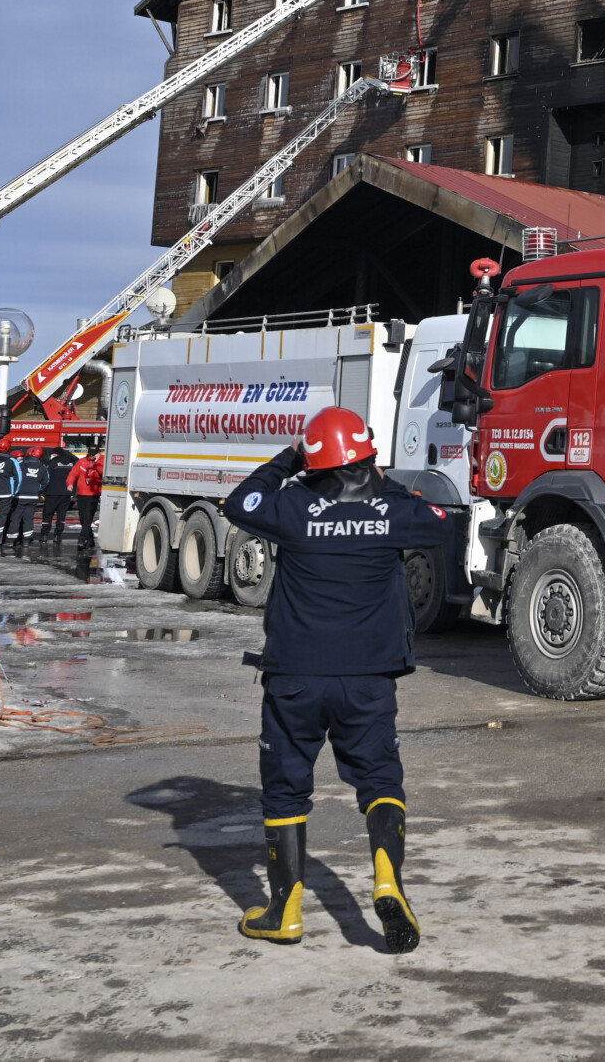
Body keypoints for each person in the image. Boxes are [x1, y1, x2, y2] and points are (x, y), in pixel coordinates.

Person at [223, 406, 452, 951]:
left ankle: (285, 912)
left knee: (285, 791)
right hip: (369, 680)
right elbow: (443, 523)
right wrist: (382, 483)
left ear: (314, 459)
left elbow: (239, 503)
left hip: (295, 678)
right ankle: (387, 878)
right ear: (367, 458)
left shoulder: (292, 505)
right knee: (379, 782)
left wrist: (289, 458)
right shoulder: (394, 511)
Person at [37, 444, 76, 549]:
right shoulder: (71, 463)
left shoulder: (52, 463)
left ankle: (44, 535)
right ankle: (58, 536)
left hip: (52, 493)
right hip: (66, 493)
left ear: (55, 454)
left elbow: (46, 478)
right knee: (61, 516)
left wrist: (42, 492)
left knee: (48, 515)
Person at [70, 448, 103, 562]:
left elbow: (103, 473)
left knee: (88, 517)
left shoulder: (102, 461)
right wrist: (69, 483)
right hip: (81, 493)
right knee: (83, 518)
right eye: (90, 454)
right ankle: (90, 540)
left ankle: (82, 539)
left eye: (94, 454)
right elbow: (74, 472)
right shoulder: (82, 461)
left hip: (93, 494)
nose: (92, 456)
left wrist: (97, 463)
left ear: (99, 454)